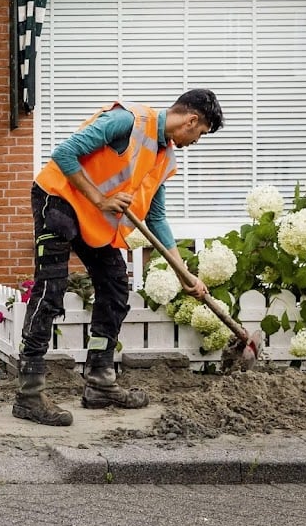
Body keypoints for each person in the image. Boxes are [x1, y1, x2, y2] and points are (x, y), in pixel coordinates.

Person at [13, 89, 224, 426]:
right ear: (192, 119)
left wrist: (186, 275)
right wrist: (99, 199)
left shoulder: (165, 157)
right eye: (199, 135)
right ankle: (28, 393)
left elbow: (156, 220)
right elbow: (64, 153)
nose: (195, 141)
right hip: (59, 199)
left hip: (93, 217)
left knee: (114, 286)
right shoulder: (127, 120)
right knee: (51, 289)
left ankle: (99, 381)